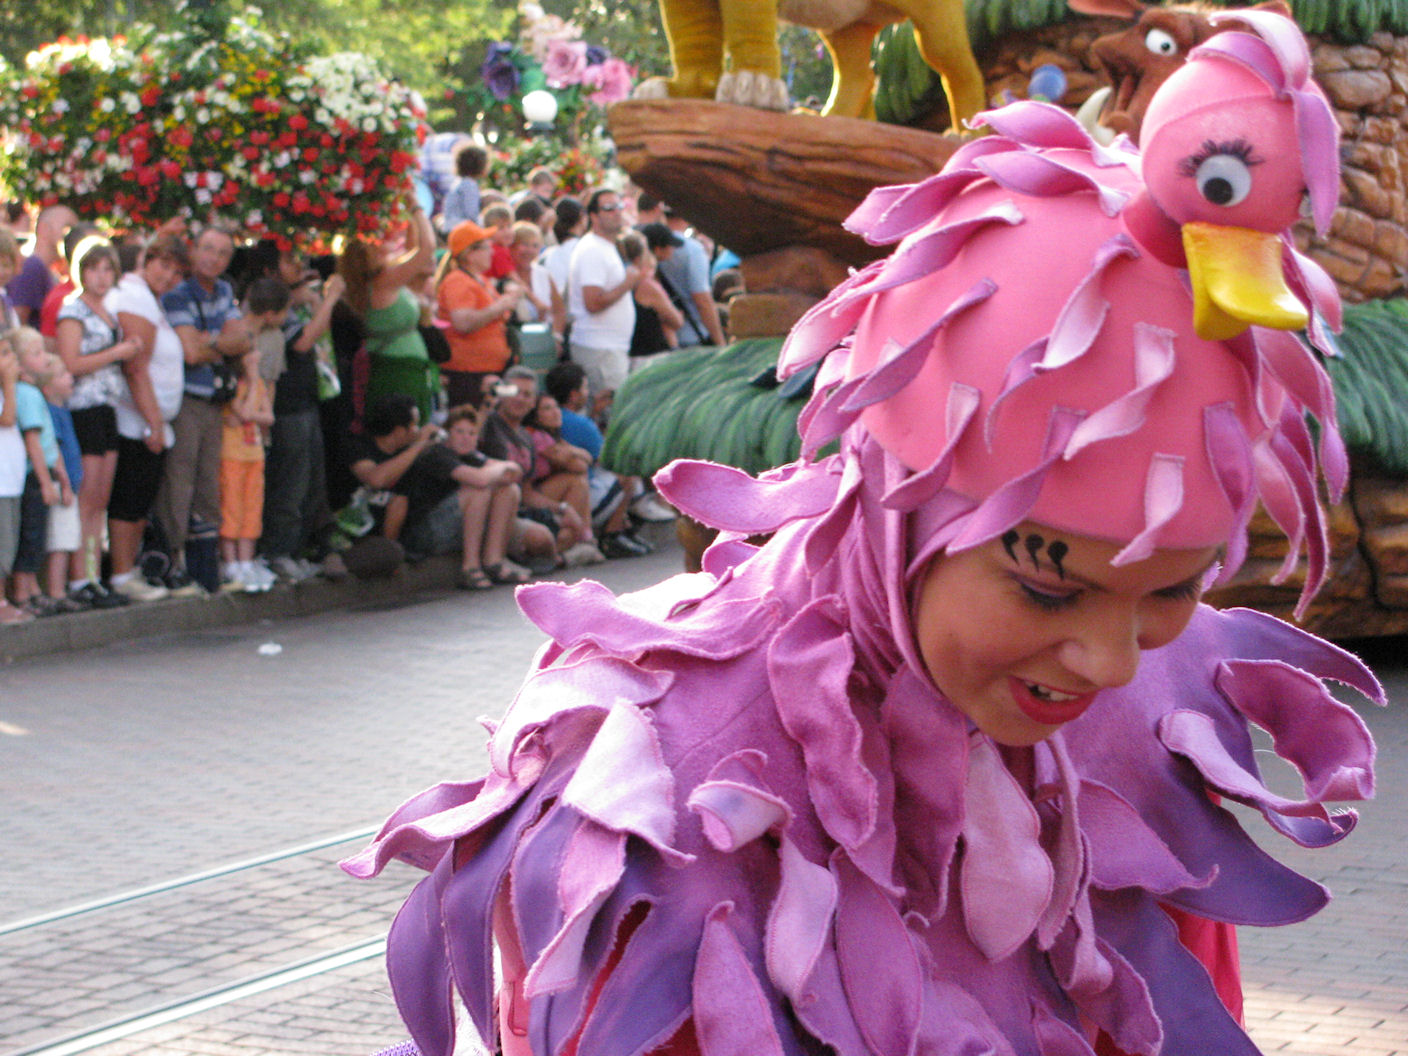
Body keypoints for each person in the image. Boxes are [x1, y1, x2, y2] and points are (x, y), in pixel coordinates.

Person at [346, 18, 1381, 1056]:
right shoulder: (667, 811)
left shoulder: (1154, 746)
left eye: (1174, 588)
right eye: (1048, 588)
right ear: (901, 515)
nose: (1113, 663)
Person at [159, 224, 254, 596]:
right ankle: (173, 563)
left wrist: (210, 341)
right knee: (179, 484)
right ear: (194, 250)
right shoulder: (178, 295)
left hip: (214, 402)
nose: (214, 258)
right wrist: (221, 342)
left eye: (223, 253)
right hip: (185, 400)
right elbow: (190, 352)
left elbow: (244, 339)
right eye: (208, 249)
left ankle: (204, 569)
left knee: (208, 486)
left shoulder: (225, 290)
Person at [53, 237, 144, 605]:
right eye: (94, 269)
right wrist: (117, 352)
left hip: (108, 407)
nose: (102, 277)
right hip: (84, 407)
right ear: (81, 271)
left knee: (100, 499)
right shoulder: (73, 310)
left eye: (108, 269)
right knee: (87, 498)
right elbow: (71, 363)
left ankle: (93, 574)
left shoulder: (109, 311)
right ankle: (80, 578)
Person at [108, 233, 190, 607]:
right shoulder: (135, 296)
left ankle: (130, 571)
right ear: (147, 260)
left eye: (177, 272)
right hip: (135, 422)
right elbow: (135, 367)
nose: (169, 276)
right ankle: (122, 575)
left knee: (140, 501)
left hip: (149, 421)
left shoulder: (150, 299)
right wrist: (154, 421)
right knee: (129, 500)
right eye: (164, 266)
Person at [400, 403, 531, 591]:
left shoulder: (472, 456)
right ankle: (470, 568)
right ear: (447, 434)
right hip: (424, 535)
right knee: (478, 491)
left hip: (454, 530)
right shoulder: (438, 453)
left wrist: (499, 468)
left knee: (508, 489)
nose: (465, 438)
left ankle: (494, 561)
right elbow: (480, 479)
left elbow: (514, 472)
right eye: (459, 432)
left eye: (471, 433)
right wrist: (500, 468)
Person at [480, 366, 602, 567]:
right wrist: (487, 399)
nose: (520, 399)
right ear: (503, 393)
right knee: (541, 538)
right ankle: (558, 557)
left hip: (523, 508)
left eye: (527, 395)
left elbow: (527, 493)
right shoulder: (489, 423)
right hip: (491, 511)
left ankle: (561, 552)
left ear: (532, 403)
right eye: (514, 392)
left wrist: (563, 508)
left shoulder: (526, 437)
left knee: (568, 529)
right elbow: (474, 433)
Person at [340, 203, 439, 425]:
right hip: (397, 370)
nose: (384, 237)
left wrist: (409, 218)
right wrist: (416, 207)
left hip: (402, 366)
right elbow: (427, 248)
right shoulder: (383, 281)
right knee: (405, 427)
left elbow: (413, 246)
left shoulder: (379, 280)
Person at [434, 221, 522, 409]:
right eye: (487, 247)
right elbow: (463, 323)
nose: (492, 252)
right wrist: (500, 306)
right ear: (469, 254)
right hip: (468, 374)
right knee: (473, 419)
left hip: (488, 371)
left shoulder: (479, 279)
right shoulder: (458, 281)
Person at [567, 188, 639, 406]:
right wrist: (627, 284)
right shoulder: (592, 249)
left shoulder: (605, 246)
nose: (617, 212)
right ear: (594, 216)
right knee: (608, 413)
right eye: (608, 208)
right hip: (599, 350)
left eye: (619, 206)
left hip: (609, 349)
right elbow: (593, 302)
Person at [218, 346, 275, 592]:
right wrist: (252, 381)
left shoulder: (258, 383)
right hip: (231, 455)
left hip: (254, 455)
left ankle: (246, 561)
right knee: (231, 507)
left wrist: (250, 413)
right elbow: (246, 411)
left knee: (252, 508)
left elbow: (268, 417)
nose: (257, 357)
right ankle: (231, 563)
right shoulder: (232, 384)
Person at [620, 229, 684, 366]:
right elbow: (677, 321)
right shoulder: (646, 286)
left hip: (629, 354)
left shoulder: (620, 281)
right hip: (651, 358)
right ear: (639, 257)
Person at [0, 334, 27, 623]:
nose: (11, 360)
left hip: (10, 481)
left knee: (8, 544)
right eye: (4, 354)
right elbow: (6, 419)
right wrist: (9, 382)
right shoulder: (6, 390)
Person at [440, 142, 489, 232]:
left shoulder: (459, 182)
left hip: (449, 227)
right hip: (459, 229)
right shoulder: (469, 185)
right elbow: (471, 215)